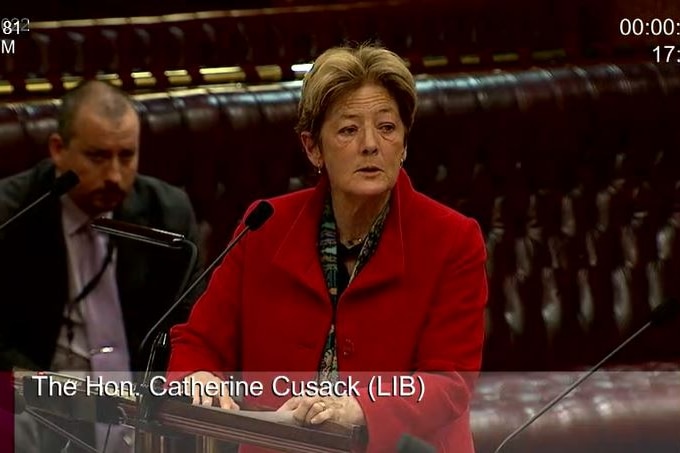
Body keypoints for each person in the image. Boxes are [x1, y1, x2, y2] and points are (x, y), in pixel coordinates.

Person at [167, 43, 487, 452]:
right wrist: (198, 375)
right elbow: (198, 342)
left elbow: (449, 382)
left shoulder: (452, 239)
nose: (371, 144)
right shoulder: (264, 227)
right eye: (349, 129)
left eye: (387, 127)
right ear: (312, 147)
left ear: (404, 143)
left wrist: (362, 409)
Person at [0, 80, 201, 452]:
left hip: (143, 407)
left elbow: (189, 325)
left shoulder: (168, 213)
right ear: (59, 150)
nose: (113, 175)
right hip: (37, 406)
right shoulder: (12, 214)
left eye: (126, 156)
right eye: (97, 156)